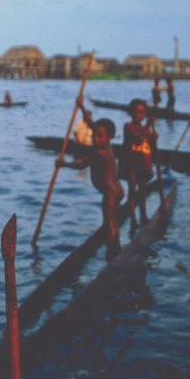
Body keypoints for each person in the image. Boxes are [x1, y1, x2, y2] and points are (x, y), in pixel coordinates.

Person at [56, 105, 125, 261]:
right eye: (94, 135)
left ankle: (112, 254)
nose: (94, 138)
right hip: (117, 189)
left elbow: (80, 165)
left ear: (109, 137)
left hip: (111, 193)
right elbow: (92, 124)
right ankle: (116, 248)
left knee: (110, 224)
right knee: (113, 222)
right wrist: (81, 106)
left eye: (98, 136)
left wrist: (63, 163)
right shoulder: (107, 145)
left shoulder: (99, 153)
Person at [122, 98, 156, 227]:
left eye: (142, 112)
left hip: (142, 163)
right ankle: (133, 219)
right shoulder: (128, 127)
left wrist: (153, 138)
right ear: (130, 113)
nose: (138, 115)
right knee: (132, 190)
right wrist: (148, 126)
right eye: (135, 112)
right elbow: (137, 140)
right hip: (131, 163)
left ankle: (143, 216)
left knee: (142, 191)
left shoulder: (144, 128)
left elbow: (148, 143)